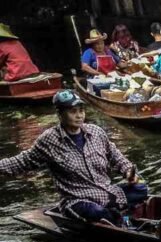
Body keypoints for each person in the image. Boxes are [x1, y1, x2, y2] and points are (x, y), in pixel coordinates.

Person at [0, 90, 147, 223]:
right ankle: (121, 219)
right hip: (78, 200)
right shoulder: (49, 140)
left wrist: (128, 171)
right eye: (73, 112)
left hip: (104, 192)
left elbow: (116, 157)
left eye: (81, 111)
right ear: (60, 114)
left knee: (141, 188)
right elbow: (22, 161)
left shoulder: (96, 132)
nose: (79, 116)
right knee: (96, 212)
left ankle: (116, 213)